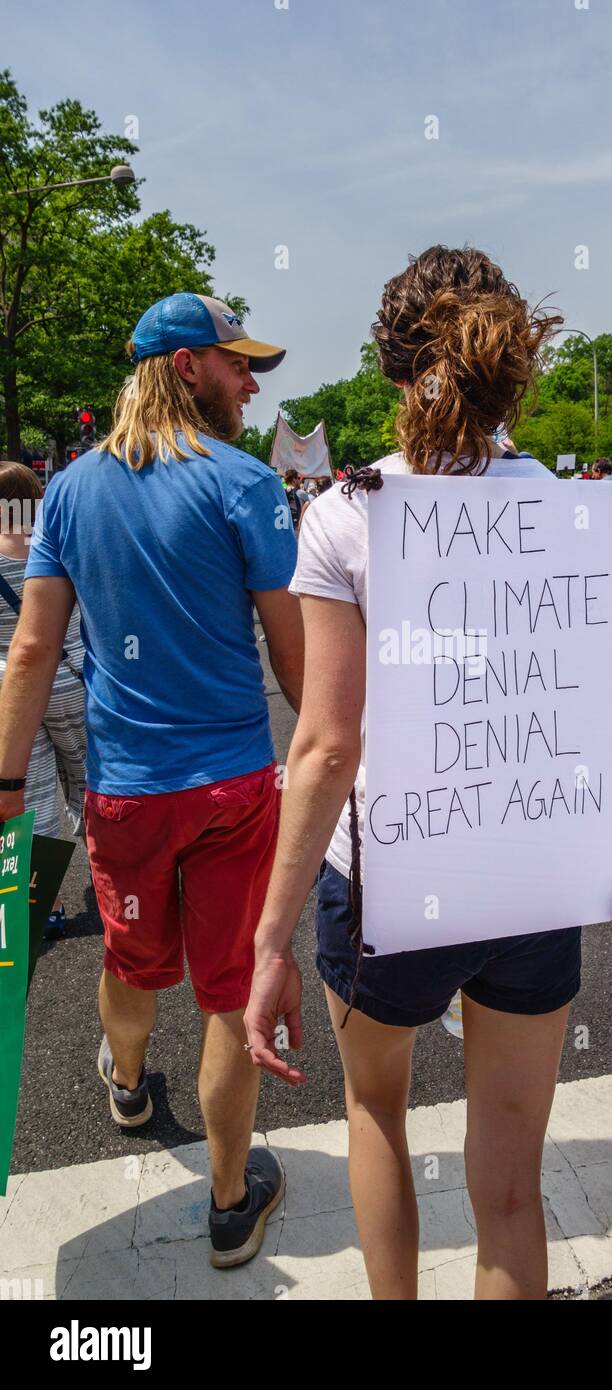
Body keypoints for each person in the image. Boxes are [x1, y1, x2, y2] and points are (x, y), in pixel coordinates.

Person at [244, 245, 582, 1301]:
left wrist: (267, 938)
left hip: (392, 875)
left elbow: (327, 745)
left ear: (395, 370)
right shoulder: (568, 503)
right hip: (531, 865)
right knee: (513, 1186)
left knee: (375, 1116)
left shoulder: (346, 510)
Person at [0, 292, 304, 1270]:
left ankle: (127, 1083)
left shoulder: (72, 492)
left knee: (131, 960)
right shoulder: (243, 483)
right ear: (184, 367)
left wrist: (7, 787)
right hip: (231, 785)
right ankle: (228, 1205)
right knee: (227, 992)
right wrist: (334, 760)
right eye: (236, 364)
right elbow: (298, 663)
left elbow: (33, 648)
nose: (251, 383)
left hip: (126, 790)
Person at [0, 462, 87, 935]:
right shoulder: (57, 545)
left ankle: (41, 905)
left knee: (26, 799)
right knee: (92, 784)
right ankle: (115, 882)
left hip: (11, 691)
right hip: (71, 676)